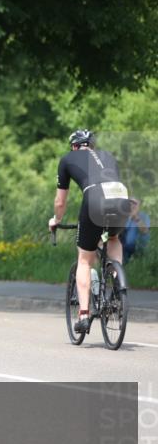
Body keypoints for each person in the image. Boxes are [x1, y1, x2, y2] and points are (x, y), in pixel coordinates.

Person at [49, 130, 131, 334]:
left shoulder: (68, 158)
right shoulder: (108, 156)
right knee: (113, 237)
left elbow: (60, 201)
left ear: (74, 146)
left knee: (85, 260)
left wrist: (56, 220)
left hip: (94, 198)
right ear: (91, 145)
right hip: (120, 196)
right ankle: (116, 283)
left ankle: (84, 315)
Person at [119, 198, 150, 264]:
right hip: (123, 249)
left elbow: (145, 231)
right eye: (130, 203)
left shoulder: (144, 216)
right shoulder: (124, 216)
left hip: (138, 250)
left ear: (139, 205)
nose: (132, 205)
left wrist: (135, 216)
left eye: (135, 203)